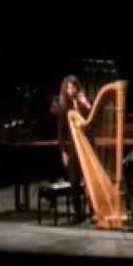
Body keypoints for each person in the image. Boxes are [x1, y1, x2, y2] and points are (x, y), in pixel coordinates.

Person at [56, 76, 92, 225]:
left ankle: (94, 211)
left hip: (87, 147)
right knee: (74, 183)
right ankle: (78, 214)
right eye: (68, 88)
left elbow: (92, 121)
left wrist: (87, 104)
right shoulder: (63, 106)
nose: (71, 91)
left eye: (73, 87)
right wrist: (63, 152)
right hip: (73, 149)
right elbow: (61, 132)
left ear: (77, 88)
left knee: (90, 181)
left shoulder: (84, 102)